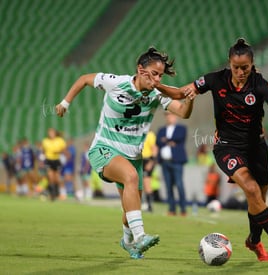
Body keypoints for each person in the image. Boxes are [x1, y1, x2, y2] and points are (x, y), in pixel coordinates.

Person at [155, 38, 268, 261]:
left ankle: (254, 241)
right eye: (236, 67)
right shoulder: (215, 79)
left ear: (252, 65)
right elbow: (182, 92)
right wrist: (156, 86)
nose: (240, 72)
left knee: (258, 199)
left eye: (245, 68)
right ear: (229, 63)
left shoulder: (258, 83)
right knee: (251, 188)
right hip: (227, 147)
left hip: (256, 147)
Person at [55, 47, 194, 259]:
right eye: (154, 74)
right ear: (140, 69)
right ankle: (140, 237)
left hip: (133, 157)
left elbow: (183, 112)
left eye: (160, 75)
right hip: (105, 148)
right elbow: (84, 79)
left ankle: (128, 241)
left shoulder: (156, 95)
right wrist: (65, 103)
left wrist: (190, 99)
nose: (157, 79)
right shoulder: (116, 82)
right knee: (130, 177)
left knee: (130, 210)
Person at [156, 111, 188, 216]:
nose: (169, 117)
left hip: (177, 162)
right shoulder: (161, 130)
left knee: (179, 185)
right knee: (168, 186)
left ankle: (183, 209)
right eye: (167, 115)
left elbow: (179, 138)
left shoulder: (181, 128)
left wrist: (166, 140)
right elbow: (158, 142)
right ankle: (171, 209)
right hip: (165, 162)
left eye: (171, 115)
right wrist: (169, 141)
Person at [42, 128, 66, 201]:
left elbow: (63, 149)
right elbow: (43, 150)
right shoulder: (45, 141)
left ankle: (58, 193)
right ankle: (52, 194)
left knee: (57, 178)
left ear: (55, 133)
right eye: (50, 133)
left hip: (56, 160)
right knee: (50, 177)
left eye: (52, 132)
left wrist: (58, 151)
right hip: (49, 160)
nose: (51, 134)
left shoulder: (60, 140)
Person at [142, 130, 157, 212]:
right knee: (139, 184)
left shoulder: (150, 134)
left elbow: (154, 148)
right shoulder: (139, 133)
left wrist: (151, 162)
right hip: (140, 160)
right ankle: (143, 203)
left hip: (147, 160)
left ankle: (149, 205)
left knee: (147, 183)